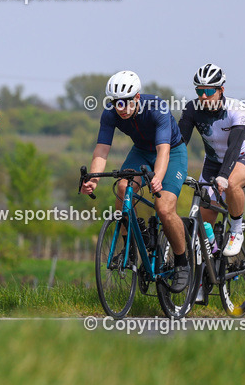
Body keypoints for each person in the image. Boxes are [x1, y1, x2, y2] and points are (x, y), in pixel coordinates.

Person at [80, 71, 191, 292]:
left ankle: (182, 262)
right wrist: (93, 178)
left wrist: (157, 178)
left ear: (137, 98)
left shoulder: (156, 109)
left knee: (164, 208)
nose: (119, 107)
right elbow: (102, 150)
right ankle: (130, 246)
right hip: (140, 151)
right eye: (114, 102)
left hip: (171, 153)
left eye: (124, 102)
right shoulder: (110, 114)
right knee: (122, 188)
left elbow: (163, 151)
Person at [178, 63, 245, 259]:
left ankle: (237, 230)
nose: (203, 96)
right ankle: (212, 255)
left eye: (208, 90)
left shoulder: (236, 109)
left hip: (242, 158)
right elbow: (180, 142)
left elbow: (234, 146)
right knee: (202, 226)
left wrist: (223, 176)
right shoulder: (192, 108)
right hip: (213, 163)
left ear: (221, 90)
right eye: (199, 90)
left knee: (231, 184)